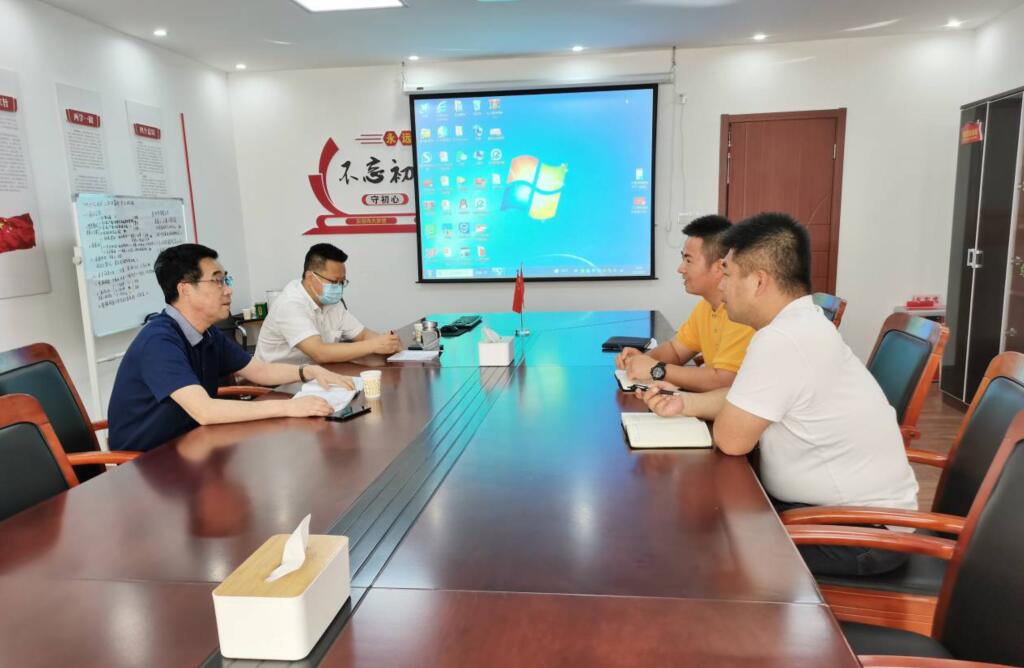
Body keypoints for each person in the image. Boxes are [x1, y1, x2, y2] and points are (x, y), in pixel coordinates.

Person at [641, 212, 919, 577]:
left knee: (697, 544)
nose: (722, 288)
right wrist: (684, 403)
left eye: (729, 275)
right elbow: (746, 400)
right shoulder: (798, 324)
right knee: (701, 520)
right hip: (831, 514)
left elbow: (731, 439)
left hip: (856, 533)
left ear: (759, 281)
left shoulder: (783, 339)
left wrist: (696, 406)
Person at [108, 244, 353, 452]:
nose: (228, 289)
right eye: (217, 281)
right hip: (148, 461)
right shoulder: (158, 341)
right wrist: (289, 407)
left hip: (194, 444)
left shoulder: (207, 333)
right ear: (185, 289)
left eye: (226, 279)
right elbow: (205, 411)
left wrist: (308, 371)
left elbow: (260, 371)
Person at [616, 215, 754, 391]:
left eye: (688, 260)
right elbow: (675, 350)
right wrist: (643, 360)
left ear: (719, 266)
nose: (680, 268)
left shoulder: (741, 314)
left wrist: (656, 369)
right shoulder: (705, 306)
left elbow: (723, 381)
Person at [256, 243, 403, 364]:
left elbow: (362, 334)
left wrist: (387, 342)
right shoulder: (290, 304)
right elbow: (319, 353)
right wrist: (373, 345)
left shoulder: (331, 302)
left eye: (342, 282)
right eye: (334, 282)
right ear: (310, 278)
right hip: (276, 383)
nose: (338, 288)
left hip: (311, 374)